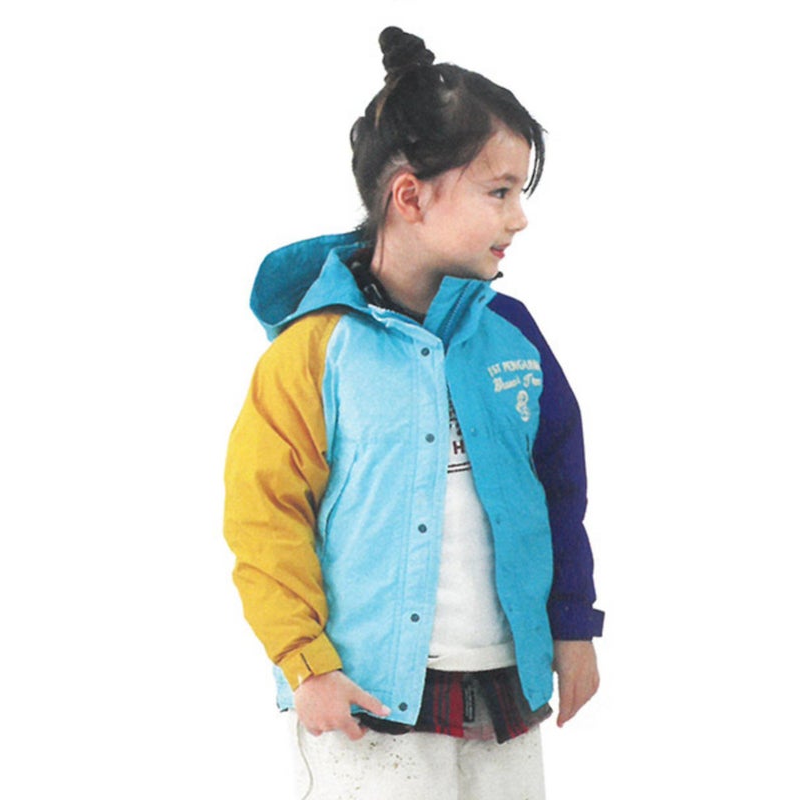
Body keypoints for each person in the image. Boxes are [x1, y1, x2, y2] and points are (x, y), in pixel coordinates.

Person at [224, 26, 604, 799]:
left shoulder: (513, 336)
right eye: (499, 192)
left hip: (505, 688)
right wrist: (306, 663)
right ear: (410, 196)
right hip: (364, 703)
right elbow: (265, 514)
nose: (519, 217)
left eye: (520, 193)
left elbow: (560, 489)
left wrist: (573, 625)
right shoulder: (313, 350)